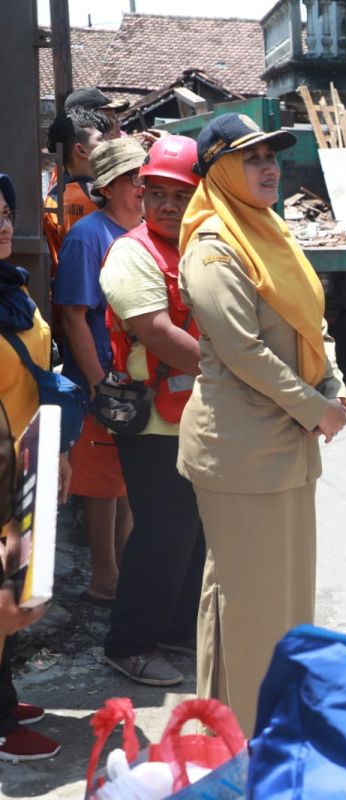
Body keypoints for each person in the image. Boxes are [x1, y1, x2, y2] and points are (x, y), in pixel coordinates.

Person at [177, 113, 346, 734]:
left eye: (273, 155)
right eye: (252, 158)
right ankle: (248, 736)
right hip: (241, 451)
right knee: (250, 605)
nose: (269, 166)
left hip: (286, 444)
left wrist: (334, 383)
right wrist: (316, 406)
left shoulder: (270, 231)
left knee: (280, 599)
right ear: (221, 169)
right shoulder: (213, 246)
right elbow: (244, 350)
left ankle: (251, 720)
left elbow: (312, 323)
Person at [98, 136, 205, 688]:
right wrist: (242, 373)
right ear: (139, 195)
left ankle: (176, 628)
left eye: (180, 195)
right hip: (152, 420)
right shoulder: (132, 253)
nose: (168, 205)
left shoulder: (198, 247)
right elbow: (156, 334)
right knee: (162, 532)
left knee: (193, 534)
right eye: (157, 193)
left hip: (194, 415)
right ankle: (129, 644)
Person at [54, 138, 144, 606]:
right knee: (103, 487)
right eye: (133, 178)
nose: (142, 185)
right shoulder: (89, 235)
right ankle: (104, 580)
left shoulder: (142, 230)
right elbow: (73, 315)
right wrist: (99, 383)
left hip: (136, 382)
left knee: (126, 484)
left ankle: (123, 573)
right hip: (104, 383)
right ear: (106, 187)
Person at [0, 173, 64, 762]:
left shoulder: (12, 290)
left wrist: (53, 457)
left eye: (1, 214)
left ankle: (4, 694)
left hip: (28, 458)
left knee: (20, 592)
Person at [43, 107, 115, 270]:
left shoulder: (52, 199)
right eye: (100, 140)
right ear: (81, 150)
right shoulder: (103, 196)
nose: (108, 144)